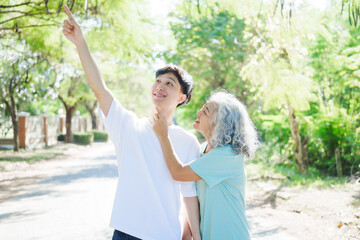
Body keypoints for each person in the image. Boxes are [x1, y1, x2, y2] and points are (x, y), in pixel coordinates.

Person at [61, 5, 201, 240]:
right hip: (124, 233)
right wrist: (80, 44)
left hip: (164, 235)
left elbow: (189, 197)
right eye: (158, 81)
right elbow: (99, 89)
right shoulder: (127, 125)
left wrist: (193, 237)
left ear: (182, 98)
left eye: (170, 83)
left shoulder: (188, 141)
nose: (160, 86)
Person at [153, 90, 260, 240]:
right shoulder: (203, 149)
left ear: (220, 124)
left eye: (205, 111)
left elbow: (178, 173)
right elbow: (192, 194)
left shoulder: (227, 155)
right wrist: (187, 232)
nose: (198, 112)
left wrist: (163, 136)